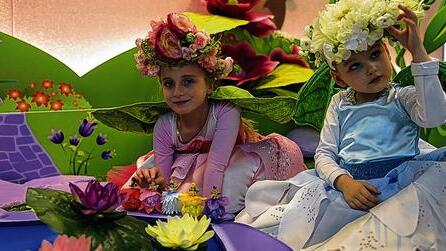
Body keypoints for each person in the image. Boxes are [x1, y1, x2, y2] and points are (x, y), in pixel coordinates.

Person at [236, 1, 446, 249]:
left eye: (376, 54)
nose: (371, 68)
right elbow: (325, 153)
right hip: (350, 187)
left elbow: (435, 116)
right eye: (355, 65)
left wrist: (418, 53)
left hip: (402, 187)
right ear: (338, 77)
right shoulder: (339, 104)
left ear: (387, 53)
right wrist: (343, 182)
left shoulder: (403, 97)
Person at [108, 13, 306, 213]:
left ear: (210, 84)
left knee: (226, 181)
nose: (177, 92)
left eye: (188, 82)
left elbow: (216, 166)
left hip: (229, 160)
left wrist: (209, 206)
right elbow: (166, 180)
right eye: (169, 84)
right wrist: (155, 182)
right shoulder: (165, 125)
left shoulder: (225, 112)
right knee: (143, 187)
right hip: (187, 166)